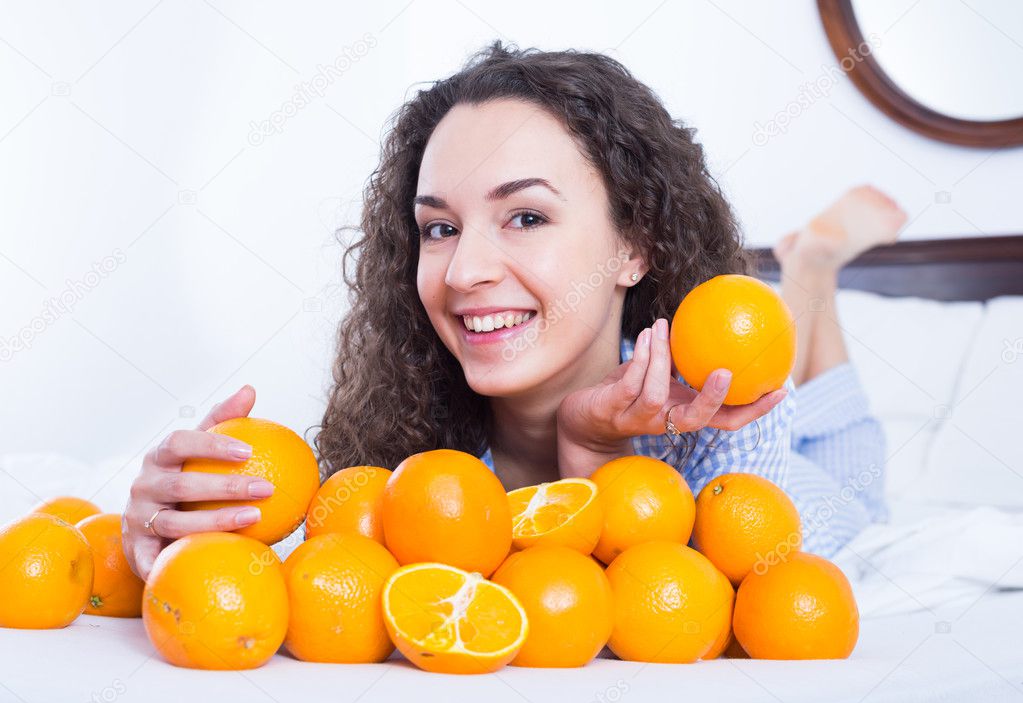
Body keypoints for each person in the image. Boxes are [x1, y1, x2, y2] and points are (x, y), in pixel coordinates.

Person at [121, 43, 904, 579]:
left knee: (849, 456)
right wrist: (171, 542)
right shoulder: (411, 464)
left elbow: (695, 605)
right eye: (439, 228)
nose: (464, 271)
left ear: (633, 245)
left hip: (824, 484)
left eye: (525, 217)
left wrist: (589, 447)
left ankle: (809, 273)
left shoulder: (712, 400)